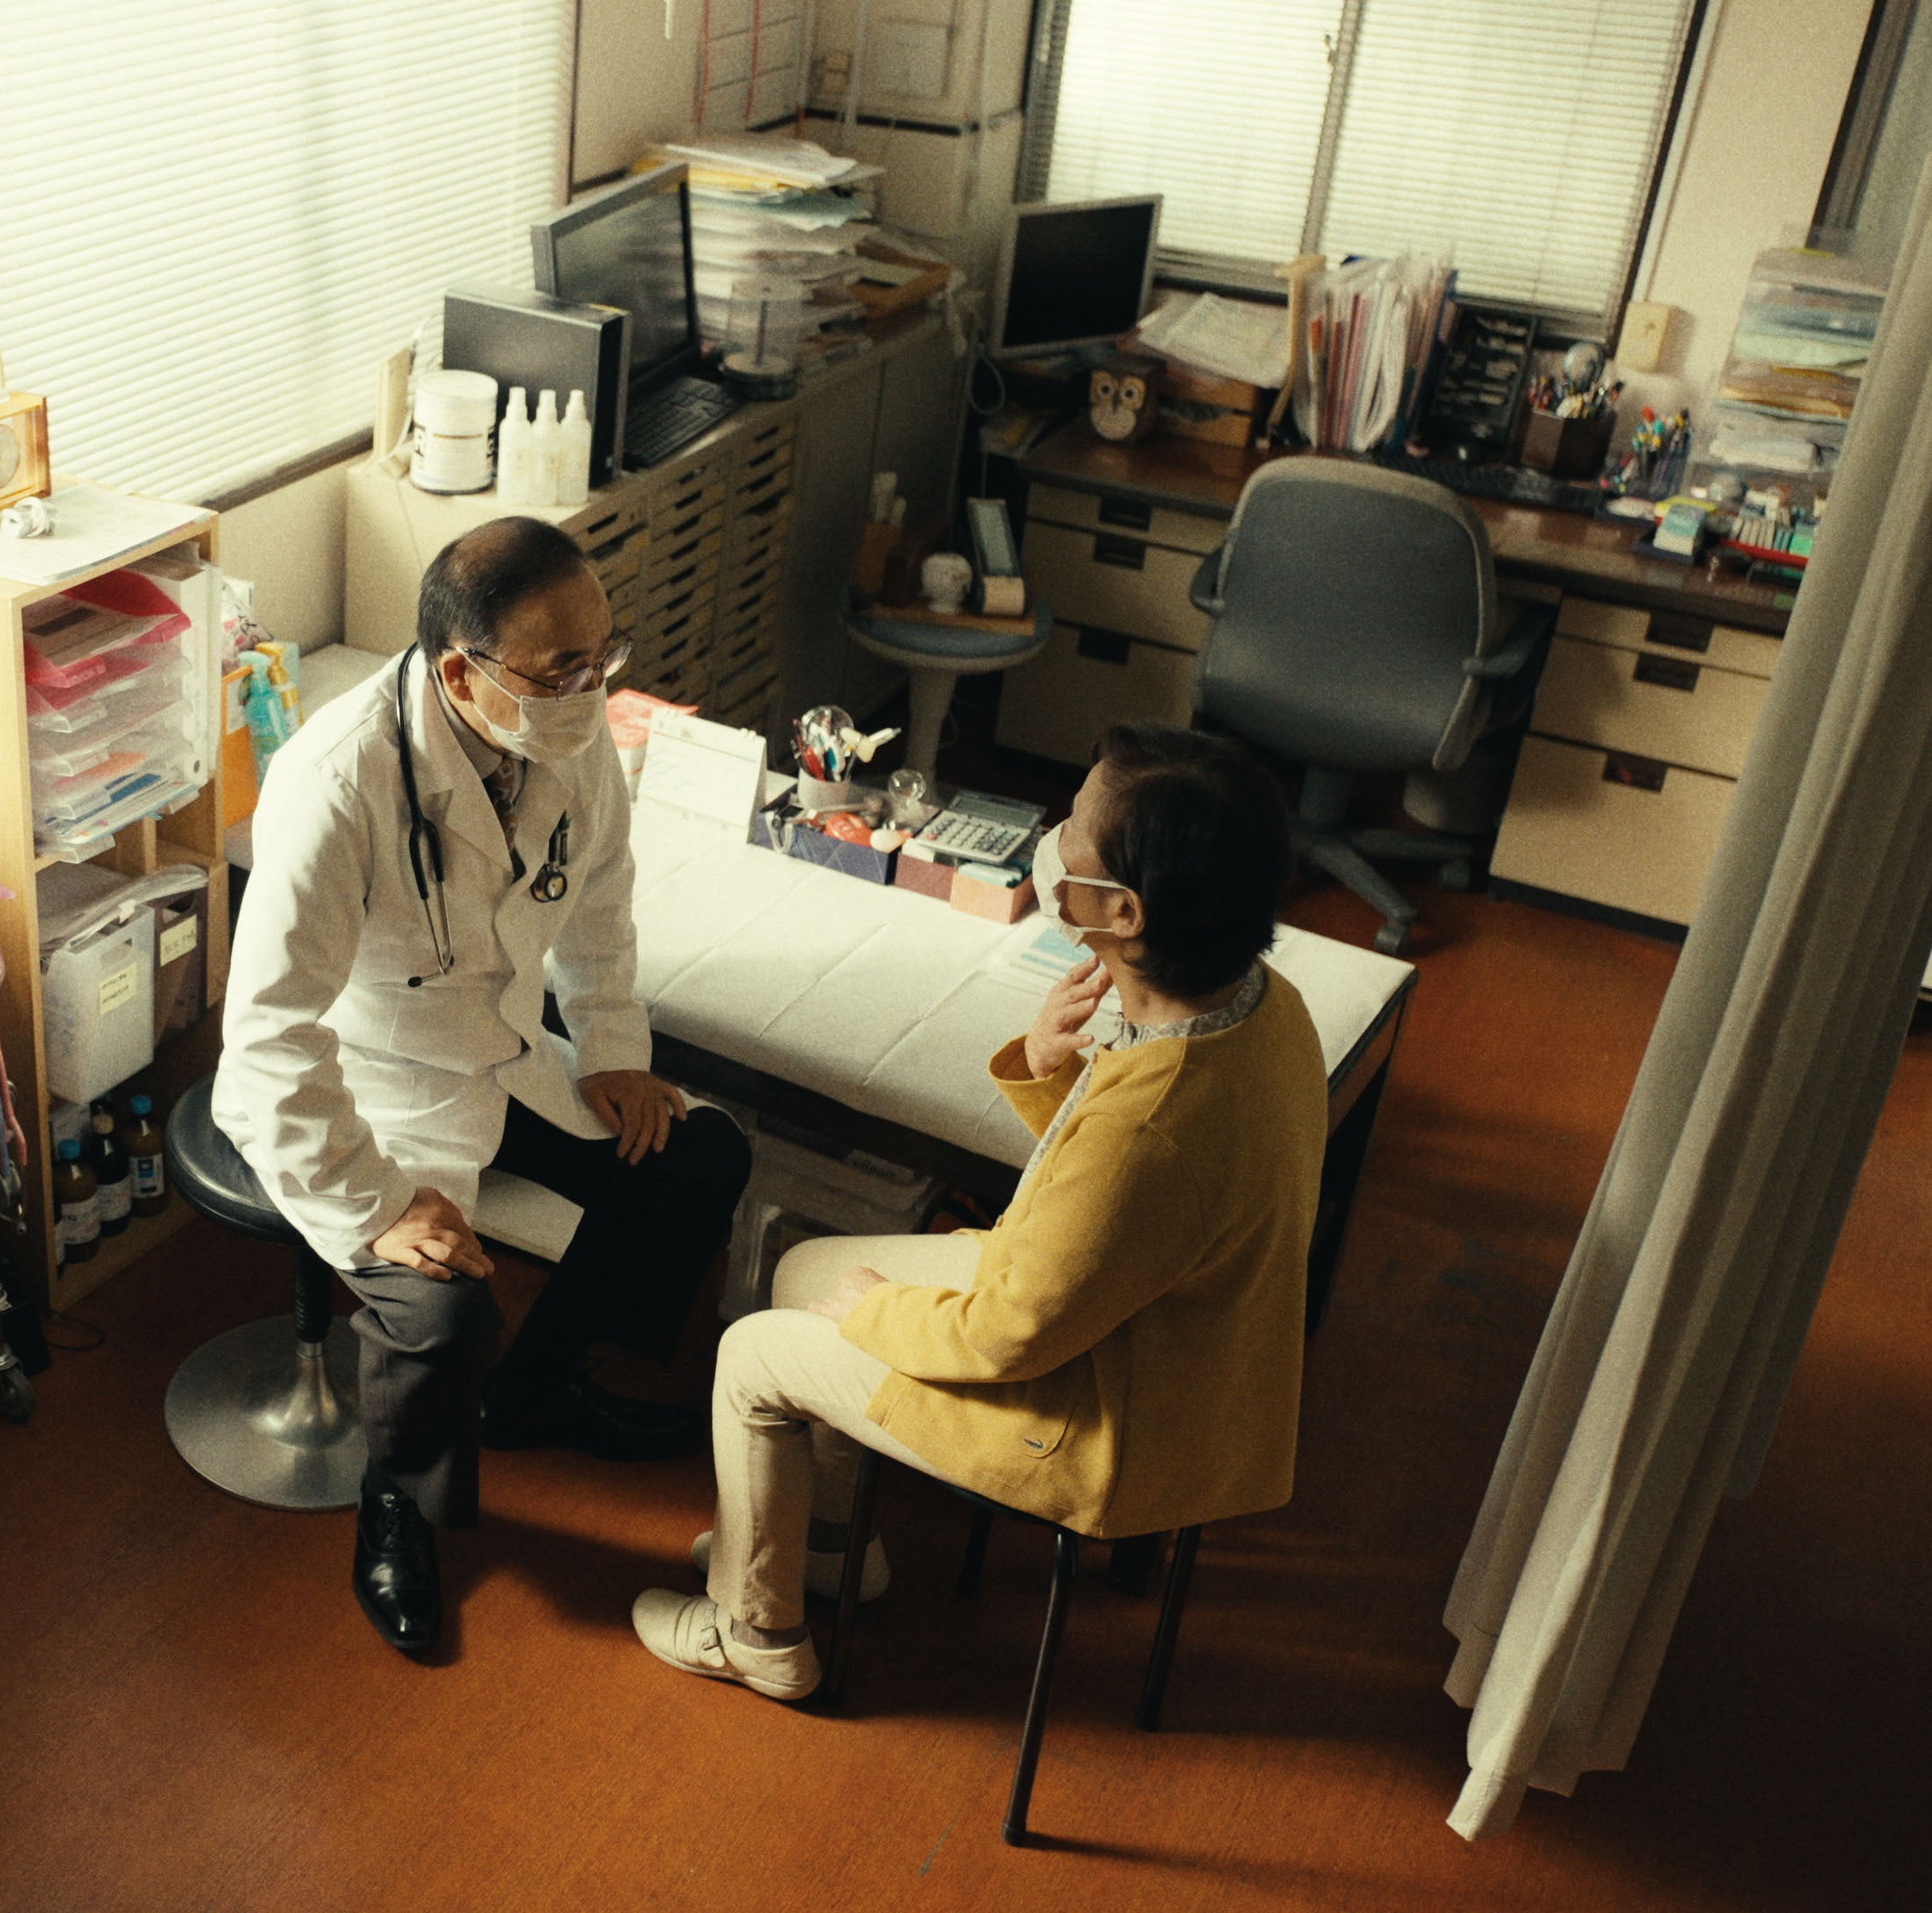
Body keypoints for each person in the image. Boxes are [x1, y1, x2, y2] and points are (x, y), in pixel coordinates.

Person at [633, 724, 1322, 1700]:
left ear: (1122, 912)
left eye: (1075, 826)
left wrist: (877, 1312)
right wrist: (1050, 1072)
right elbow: (1135, 1208)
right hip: (1161, 1347)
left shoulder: (1151, 1126)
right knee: (802, 1270)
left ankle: (757, 1635)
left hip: (1098, 1415)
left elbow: (1013, 1332)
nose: (1055, 839)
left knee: (752, 1353)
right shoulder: (1260, 1001)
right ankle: (826, 1544)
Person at [220, 515, 753, 1657]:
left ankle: (539, 1388)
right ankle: (397, 1506)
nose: (591, 689)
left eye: (601, 656)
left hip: (504, 1047)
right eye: (561, 669)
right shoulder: (338, 780)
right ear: (461, 674)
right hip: (366, 1081)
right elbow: (269, 1034)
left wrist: (610, 1045)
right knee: (444, 1307)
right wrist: (378, 1203)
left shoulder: (564, 727)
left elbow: (599, 898)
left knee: (697, 1159)